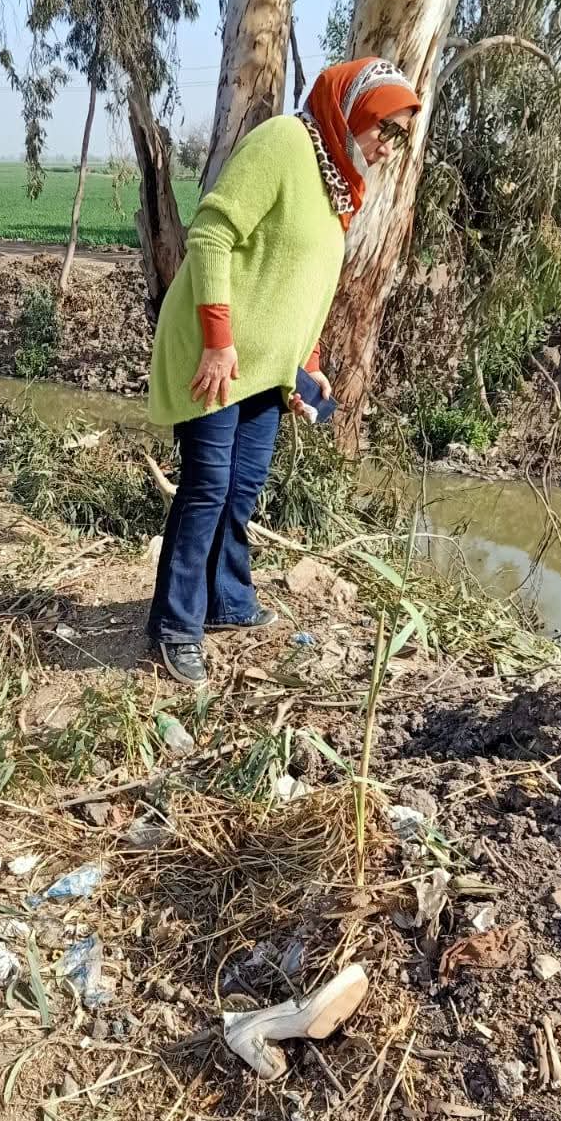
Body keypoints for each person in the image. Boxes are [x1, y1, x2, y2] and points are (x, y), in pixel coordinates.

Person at [146, 57, 422, 685]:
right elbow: (212, 234)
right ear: (354, 110)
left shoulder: (338, 183)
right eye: (385, 128)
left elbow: (306, 285)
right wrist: (219, 341)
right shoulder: (283, 142)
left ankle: (226, 598)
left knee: (243, 485)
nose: (389, 146)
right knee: (208, 486)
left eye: (400, 136)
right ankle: (174, 626)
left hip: (266, 367)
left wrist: (307, 365)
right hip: (213, 353)